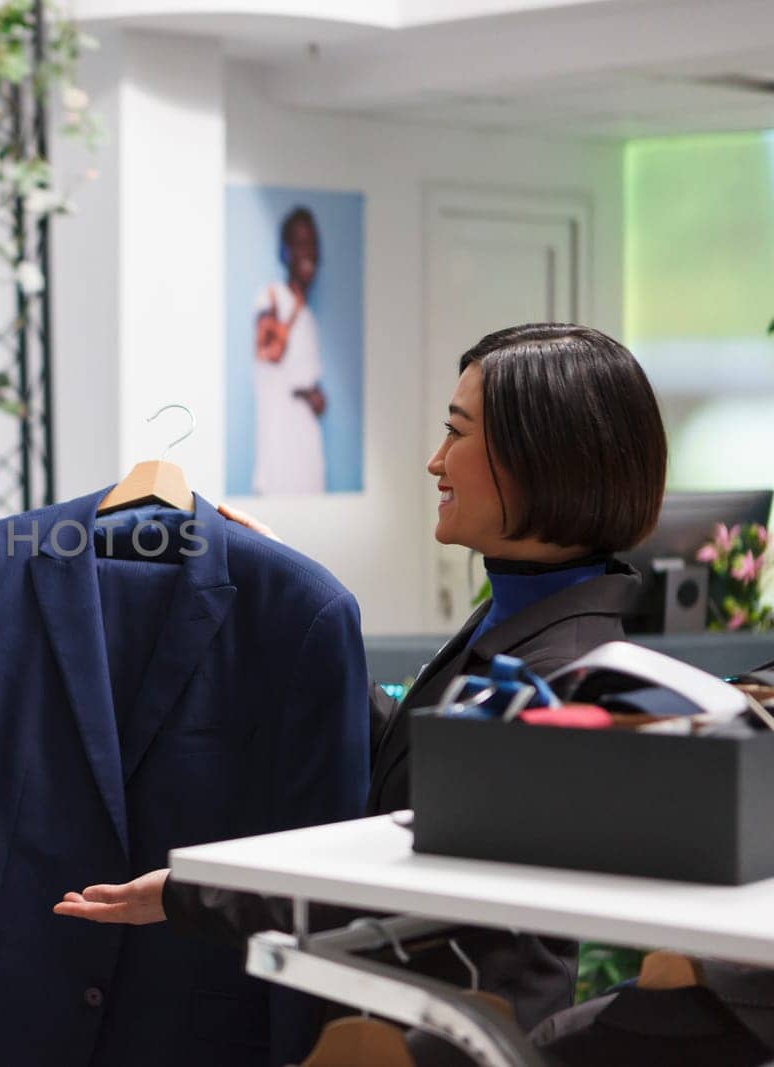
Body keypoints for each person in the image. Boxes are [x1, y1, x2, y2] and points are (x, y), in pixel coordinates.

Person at [57, 322, 669, 1032]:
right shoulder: (519, 621)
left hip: (464, 1035)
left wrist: (190, 893)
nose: (435, 461)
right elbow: (420, 764)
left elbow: (403, 887)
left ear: (539, 458)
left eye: (457, 433)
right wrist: (299, 602)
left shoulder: (563, 675)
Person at [252, 206, 327, 495]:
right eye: (299, 242)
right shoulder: (270, 298)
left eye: (313, 243)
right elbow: (271, 351)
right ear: (285, 251)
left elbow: (309, 384)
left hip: (306, 445)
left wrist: (316, 397)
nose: (308, 251)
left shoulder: (308, 316)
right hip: (278, 449)